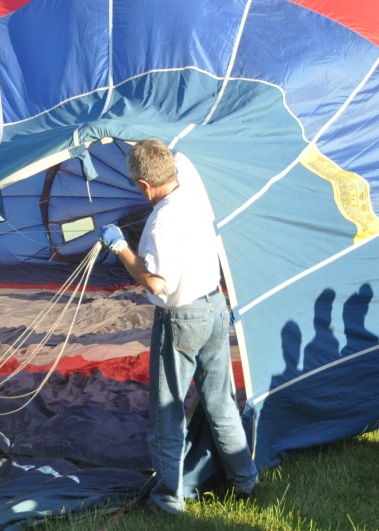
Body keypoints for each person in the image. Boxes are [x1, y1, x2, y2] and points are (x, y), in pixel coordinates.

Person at [98, 138, 257, 516]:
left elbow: (156, 283)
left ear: (143, 186)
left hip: (182, 318)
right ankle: (245, 479)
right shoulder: (195, 190)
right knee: (221, 404)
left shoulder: (161, 221)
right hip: (216, 308)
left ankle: (168, 498)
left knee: (166, 411)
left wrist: (121, 248)